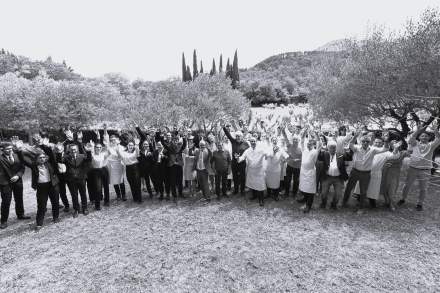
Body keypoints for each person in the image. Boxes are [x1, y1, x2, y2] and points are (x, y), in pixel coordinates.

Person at [342, 132, 390, 214]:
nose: (365, 143)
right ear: (361, 142)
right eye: (363, 141)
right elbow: (351, 145)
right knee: (348, 188)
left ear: (369, 142)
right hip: (355, 171)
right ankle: (343, 203)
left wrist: (386, 141)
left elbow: (385, 149)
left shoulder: (373, 150)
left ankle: (361, 207)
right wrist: (355, 136)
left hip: (366, 174)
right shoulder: (356, 148)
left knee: (363, 191)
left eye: (367, 141)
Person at [17, 143, 61, 230]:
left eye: (43, 157)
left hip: (52, 185)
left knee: (55, 202)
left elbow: (52, 155)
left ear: (46, 158)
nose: (42, 159)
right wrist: (19, 150)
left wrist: (44, 145)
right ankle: (39, 223)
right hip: (41, 187)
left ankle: (56, 217)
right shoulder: (34, 165)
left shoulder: (50, 163)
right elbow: (23, 160)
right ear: (36, 159)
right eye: (40, 158)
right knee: (41, 205)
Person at [398, 122, 440, 211]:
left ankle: (420, 204)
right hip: (413, 168)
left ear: (429, 138)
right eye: (422, 136)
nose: (424, 137)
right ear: (419, 137)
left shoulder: (431, 145)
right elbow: (411, 137)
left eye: (426, 136)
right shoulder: (415, 144)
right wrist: (418, 130)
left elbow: (438, 138)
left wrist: (435, 130)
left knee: (423, 188)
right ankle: (403, 199)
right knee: (407, 185)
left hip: (425, 170)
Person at [56, 143, 92, 217]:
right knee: (74, 195)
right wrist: (59, 152)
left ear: (77, 149)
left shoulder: (82, 156)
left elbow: (89, 159)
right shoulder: (66, 157)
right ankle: (76, 209)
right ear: (69, 150)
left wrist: (88, 151)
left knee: (83, 194)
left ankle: (85, 208)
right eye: (72, 150)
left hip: (81, 178)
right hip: (71, 180)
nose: (73, 151)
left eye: (75, 149)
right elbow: (59, 160)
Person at [0, 143, 30, 229]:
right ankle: (3, 221)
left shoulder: (17, 156)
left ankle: (20, 215)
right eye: (7, 149)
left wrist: (18, 175)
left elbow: (22, 167)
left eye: (11, 149)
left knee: (19, 198)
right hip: (5, 183)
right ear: (2, 150)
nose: (10, 151)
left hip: (17, 181)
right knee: (6, 202)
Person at [317, 140, 351, 209]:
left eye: (334, 147)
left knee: (338, 194)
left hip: (338, 178)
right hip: (327, 177)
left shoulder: (340, 154)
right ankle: (323, 204)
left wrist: (347, 150)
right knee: (324, 193)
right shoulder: (325, 154)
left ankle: (333, 204)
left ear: (336, 148)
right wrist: (322, 149)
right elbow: (319, 157)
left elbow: (349, 157)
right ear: (328, 148)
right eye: (331, 147)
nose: (332, 149)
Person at [237, 137, 267, 206]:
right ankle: (254, 196)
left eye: (254, 141)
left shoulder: (261, 150)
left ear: (256, 142)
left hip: (259, 170)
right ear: (250, 143)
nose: (253, 142)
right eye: (251, 141)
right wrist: (238, 158)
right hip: (251, 170)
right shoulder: (247, 150)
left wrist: (268, 154)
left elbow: (267, 154)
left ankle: (261, 199)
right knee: (252, 184)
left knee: (260, 185)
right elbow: (242, 158)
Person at [222, 122, 249, 195]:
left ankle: (242, 190)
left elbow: (249, 152)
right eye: (236, 136)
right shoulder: (233, 141)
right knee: (235, 176)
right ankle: (236, 189)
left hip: (242, 163)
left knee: (242, 177)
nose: (237, 137)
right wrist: (224, 127)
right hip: (234, 162)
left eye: (239, 136)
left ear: (241, 137)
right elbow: (228, 135)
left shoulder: (245, 144)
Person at [298, 129, 322, 213]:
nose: (308, 144)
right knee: (303, 187)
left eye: (310, 143)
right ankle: (304, 199)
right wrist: (304, 133)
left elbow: (320, 144)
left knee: (310, 190)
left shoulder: (315, 152)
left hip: (310, 172)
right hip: (303, 171)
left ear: (313, 144)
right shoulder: (304, 150)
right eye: (308, 143)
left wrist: (316, 134)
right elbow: (301, 141)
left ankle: (308, 205)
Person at [161, 132, 187, 201]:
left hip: (179, 166)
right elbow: (163, 144)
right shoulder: (170, 147)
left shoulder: (180, 147)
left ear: (178, 141)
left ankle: (180, 193)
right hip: (172, 166)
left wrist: (184, 137)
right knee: (172, 181)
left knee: (180, 181)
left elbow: (184, 145)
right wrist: (161, 137)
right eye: (174, 140)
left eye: (177, 140)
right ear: (173, 141)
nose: (176, 141)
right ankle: (174, 196)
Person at [265, 137, 288, 201]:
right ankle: (268, 194)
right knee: (268, 181)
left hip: (276, 169)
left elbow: (286, 156)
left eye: (275, 140)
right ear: (271, 141)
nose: (274, 141)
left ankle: (276, 195)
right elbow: (266, 156)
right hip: (269, 168)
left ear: (277, 141)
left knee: (276, 182)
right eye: (273, 140)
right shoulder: (268, 148)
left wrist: (283, 161)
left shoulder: (280, 149)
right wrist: (273, 152)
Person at [105, 134, 127, 201]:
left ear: (116, 140)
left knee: (121, 180)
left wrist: (118, 152)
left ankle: (123, 195)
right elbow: (107, 155)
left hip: (119, 164)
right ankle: (118, 195)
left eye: (114, 140)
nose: (113, 141)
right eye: (111, 140)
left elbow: (122, 157)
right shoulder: (109, 148)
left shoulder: (121, 147)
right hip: (112, 165)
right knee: (114, 180)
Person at [89, 142, 111, 209]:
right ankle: (97, 205)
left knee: (106, 187)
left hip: (104, 170)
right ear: (95, 148)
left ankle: (107, 201)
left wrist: (107, 145)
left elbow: (109, 153)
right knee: (98, 188)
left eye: (100, 147)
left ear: (102, 148)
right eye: (97, 147)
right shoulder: (92, 154)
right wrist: (92, 146)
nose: (98, 148)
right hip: (96, 172)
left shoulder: (103, 154)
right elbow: (90, 156)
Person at [282, 128, 302, 199]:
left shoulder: (301, 148)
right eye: (294, 139)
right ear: (292, 140)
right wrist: (283, 130)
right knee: (288, 179)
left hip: (297, 167)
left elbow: (303, 158)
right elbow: (285, 138)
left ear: (298, 141)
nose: (295, 140)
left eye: (296, 139)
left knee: (296, 181)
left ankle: (294, 193)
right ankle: (286, 192)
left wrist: (298, 159)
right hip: (290, 165)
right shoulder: (289, 145)